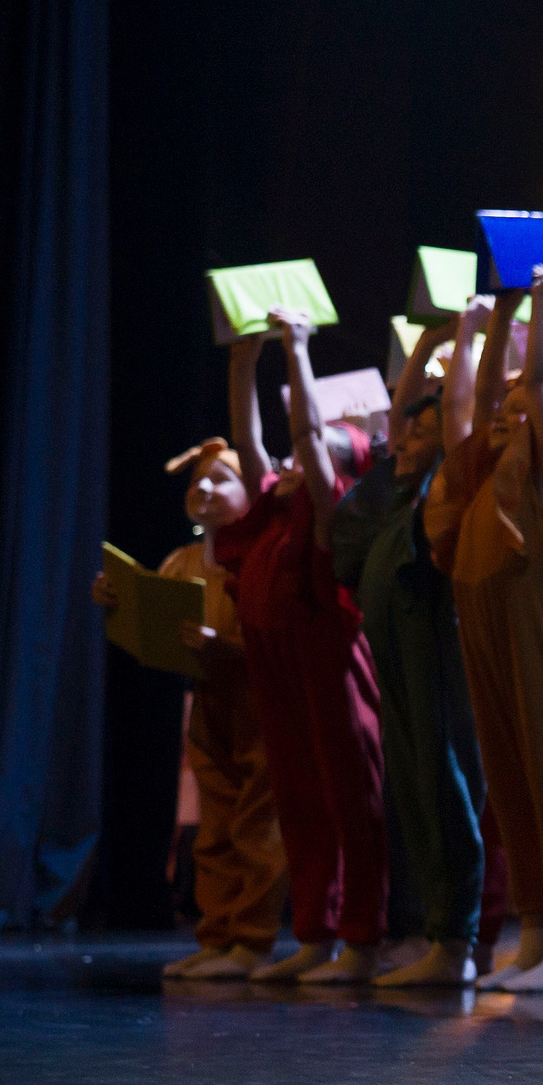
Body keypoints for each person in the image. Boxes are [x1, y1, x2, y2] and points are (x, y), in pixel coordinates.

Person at [425, 274, 543, 991]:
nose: (505, 418)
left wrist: (534, 307)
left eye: (522, 415)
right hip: (489, 631)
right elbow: (468, 404)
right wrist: (494, 316)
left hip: (540, 636)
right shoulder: (478, 486)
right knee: (511, 775)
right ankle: (535, 932)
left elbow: (533, 385)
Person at [215, 308, 389, 982]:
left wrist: (296, 347)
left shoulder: (328, 510)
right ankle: (316, 934)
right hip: (279, 662)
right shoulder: (272, 512)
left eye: (308, 457)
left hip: (331, 661)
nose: (288, 462)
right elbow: (250, 440)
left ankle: (363, 938)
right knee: (299, 796)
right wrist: (242, 358)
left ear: (337, 472)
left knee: (350, 795)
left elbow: (309, 438)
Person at [328, 323, 487, 987]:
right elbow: (402, 419)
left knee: (445, 781)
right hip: (395, 653)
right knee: (415, 789)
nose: (405, 439)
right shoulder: (394, 491)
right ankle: (433, 934)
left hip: (436, 650)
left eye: (421, 433)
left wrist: (474, 336)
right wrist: (422, 345)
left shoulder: (446, 485)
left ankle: (457, 941)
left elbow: (454, 420)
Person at [94, 440, 287, 979]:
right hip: (210, 705)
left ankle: (253, 938)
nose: (204, 488)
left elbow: (277, 641)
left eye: (222, 479)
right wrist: (119, 600)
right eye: (198, 480)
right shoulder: (183, 560)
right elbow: (154, 619)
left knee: (257, 825)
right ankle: (218, 934)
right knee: (216, 826)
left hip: (261, 704)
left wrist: (224, 649)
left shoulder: (259, 556)